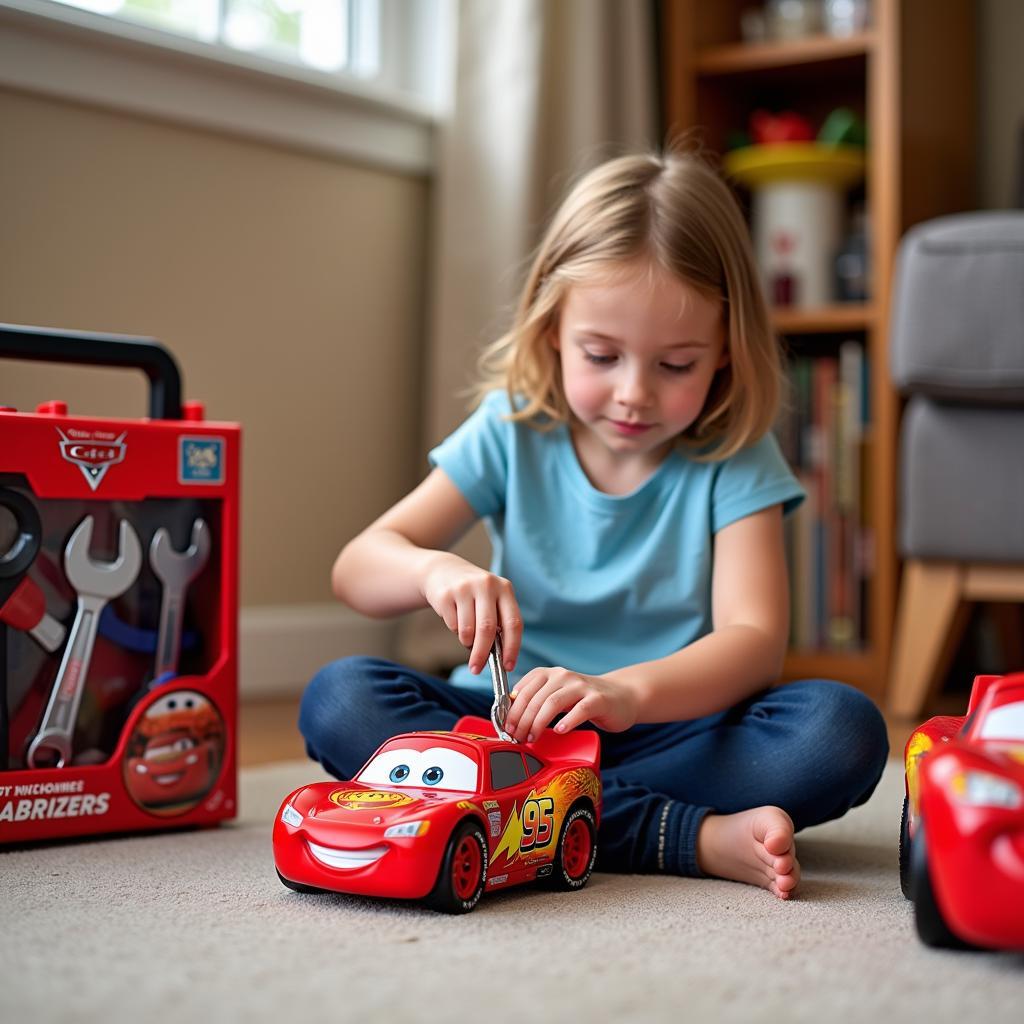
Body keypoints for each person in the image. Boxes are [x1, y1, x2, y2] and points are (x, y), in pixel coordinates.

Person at [300, 149, 889, 899]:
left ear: (725, 353)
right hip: (507, 736)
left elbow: (753, 643)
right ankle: (684, 837)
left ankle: (540, 820)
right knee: (341, 697)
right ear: (552, 330)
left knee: (839, 731)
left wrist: (627, 695)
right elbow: (357, 568)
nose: (634, 394)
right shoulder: (512, 430)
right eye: (602, 355)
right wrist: (432, 569)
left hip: (669, 724)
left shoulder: (735, 455)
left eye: (676, 365)